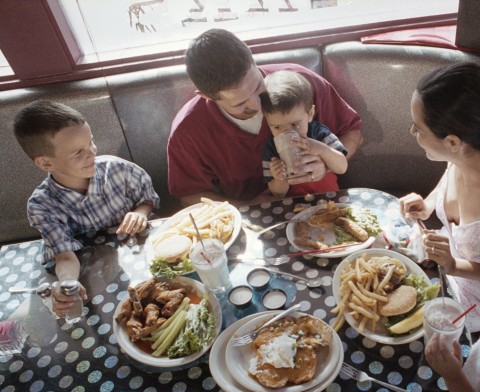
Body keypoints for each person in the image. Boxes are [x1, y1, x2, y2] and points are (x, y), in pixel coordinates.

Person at [167, 28, 362, 207]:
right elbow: (190, 195)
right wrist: (246, 208)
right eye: (240, 104)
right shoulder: (188, 132)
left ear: (253, 59)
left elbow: (352, 132)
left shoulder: (301, 84)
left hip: (325, 204)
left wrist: (326, 165)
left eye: (258, 87)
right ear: (207, 97)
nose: (257, 104)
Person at [398, 62, 480, 392]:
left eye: (417, 127)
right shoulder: (462, 153)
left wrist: (455, 263)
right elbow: (444, 184)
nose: (413, 134)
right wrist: (427, 206)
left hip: (474, 319)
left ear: (451, 139)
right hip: (450, 294)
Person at [14, 100, 160, 317]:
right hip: (84, 276)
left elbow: (148, 200)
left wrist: (141, 212)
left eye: (90, 142)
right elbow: (64, 255)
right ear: (46, 163)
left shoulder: (119, 170)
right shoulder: (42, 205)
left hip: (136, 263)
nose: (92, 153)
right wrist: (68, 282)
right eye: (78, 152)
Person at [260, 70, 348, 198]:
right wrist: (278, 177)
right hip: (294, 206)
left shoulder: (319, 133)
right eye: (277, 127)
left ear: (310, 114)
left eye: (295, 124)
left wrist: (323, 150)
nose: (287, 133)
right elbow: (278, 193)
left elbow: (342, 167)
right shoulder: (271, 148)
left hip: (329, 198)